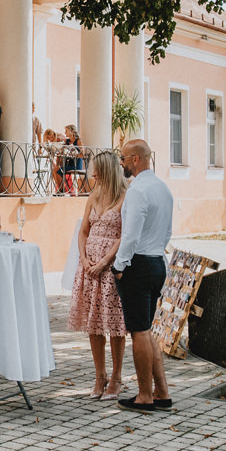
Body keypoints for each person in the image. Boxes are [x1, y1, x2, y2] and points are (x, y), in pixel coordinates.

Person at [113, 138, 175, 412]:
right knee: (147, 330)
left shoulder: (138, 190)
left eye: (123, 158)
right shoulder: (163, 188)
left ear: (136, 159)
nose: (122, 163)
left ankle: (144, 396)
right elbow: (168, 232)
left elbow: (130, 235)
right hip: (157, 262)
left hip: (137, 264)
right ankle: (162, 392)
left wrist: (119, 266)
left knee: (138, 331)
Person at [70, 150, 128, 399]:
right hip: (89, 268)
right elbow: (84, 231)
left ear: (108, 171)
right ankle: (99, 376)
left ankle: (116, 377)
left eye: (98, 170)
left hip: (111, 267)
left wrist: (105, 261)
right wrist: (84, 259)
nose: (93, 174)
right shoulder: (94, 195)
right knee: (93, 323)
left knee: (114, 324)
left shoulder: (126, 196)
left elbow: (125, 234)